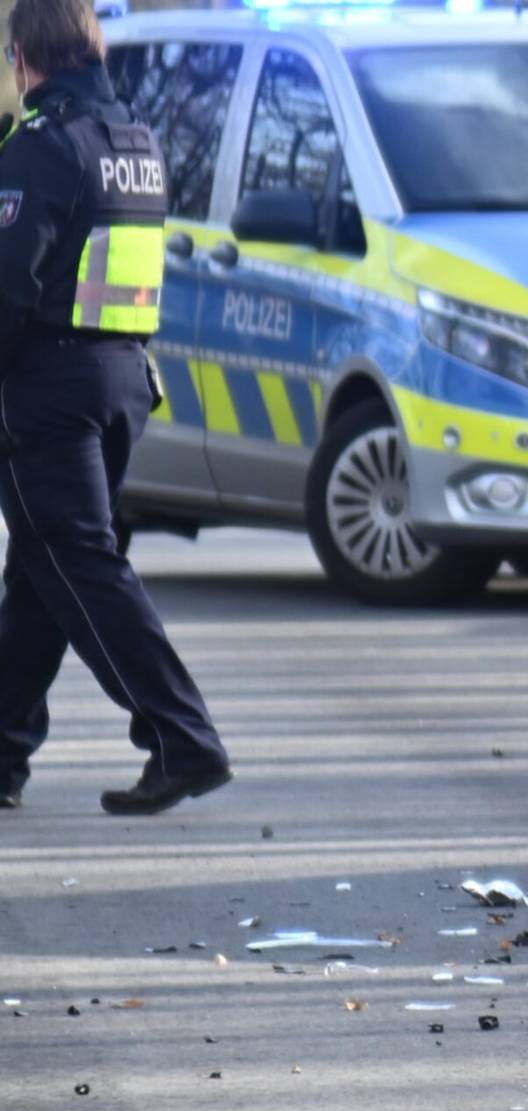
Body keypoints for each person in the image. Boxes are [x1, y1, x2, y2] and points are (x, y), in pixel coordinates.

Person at [0, 0, 230, 816]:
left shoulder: (41, 148)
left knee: (77, 564)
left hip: (52, 390)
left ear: (25, 58)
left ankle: (182, 738)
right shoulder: (134, 141)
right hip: (122, 377)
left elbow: (7, 287)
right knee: (42, 571)